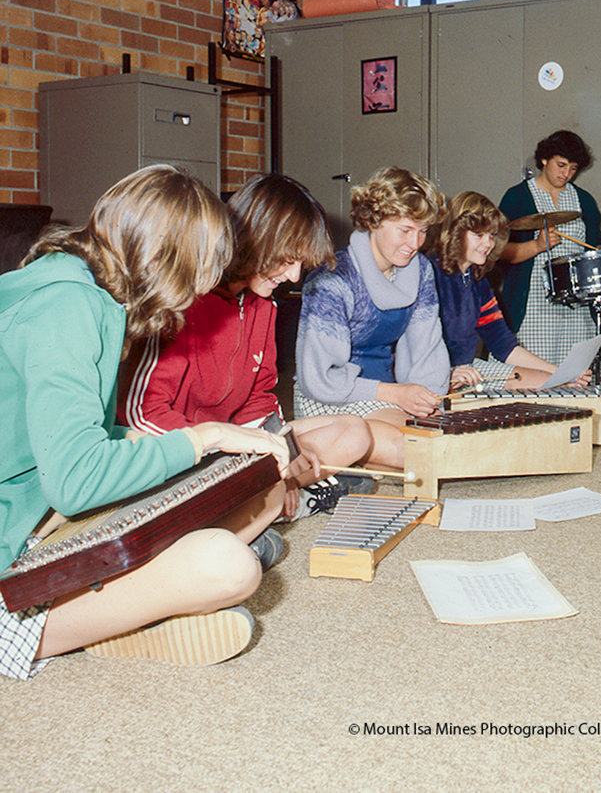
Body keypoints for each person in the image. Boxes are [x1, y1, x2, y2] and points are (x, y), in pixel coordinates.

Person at [0, 165, 292, 680]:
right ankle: (101, 625)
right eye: (197, 273)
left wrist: (164, 444)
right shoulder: (66, 306)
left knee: (251, 496)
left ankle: (126, 614)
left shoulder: (85, 291)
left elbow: (61, 435)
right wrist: (201, 437)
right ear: (161, 260)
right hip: (16, 537)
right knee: (227, 566)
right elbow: (75, 480)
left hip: (32, 510)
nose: (197, 292)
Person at [118, 173, 374, 518]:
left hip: (233, 443)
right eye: (288, 260)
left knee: (354, 432)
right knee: (233, 483)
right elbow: (141, 414)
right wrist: (226, 447)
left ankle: (268, 502)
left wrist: (283, 452)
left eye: (300, 264)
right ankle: (268, 506)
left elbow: (258, 399)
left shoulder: (263, 305)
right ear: (255, 240)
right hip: (180, 446)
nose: (294, 276)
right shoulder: (183, 299)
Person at [294, 167, 450, 469]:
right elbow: (319, 378)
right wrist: (395, 394)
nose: (415, 243)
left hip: (386, 394)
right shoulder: (332, 280)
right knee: (415, 451)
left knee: (441, 442)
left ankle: (355, 463)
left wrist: (428, 400)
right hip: (329, 395)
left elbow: (426, 349)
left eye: (423, 231)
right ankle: (340, 454)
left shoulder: (421, 270)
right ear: (373, 221)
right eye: (405, 230)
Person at [426, 191, 589, 391]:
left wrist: (562, 373)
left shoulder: (478, 281)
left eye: (492, 235)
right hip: (432, 372)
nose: (488, 244)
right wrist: (446, 374)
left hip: (467, 368)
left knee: (551, 383)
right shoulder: (429, 273)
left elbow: (503, 345)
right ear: (455, 232)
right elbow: (415, 345)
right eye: (479, 235)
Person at [497, 130, 601, 366]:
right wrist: (537, 246)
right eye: (561, 165)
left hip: (575, 307)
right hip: (533, 306)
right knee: (534, 373)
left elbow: (592, 246)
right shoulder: (517, 197)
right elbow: (499, 251)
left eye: (573, 169)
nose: (566, 174)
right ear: (544, 159)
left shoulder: (584, 200)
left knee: (576, 371)